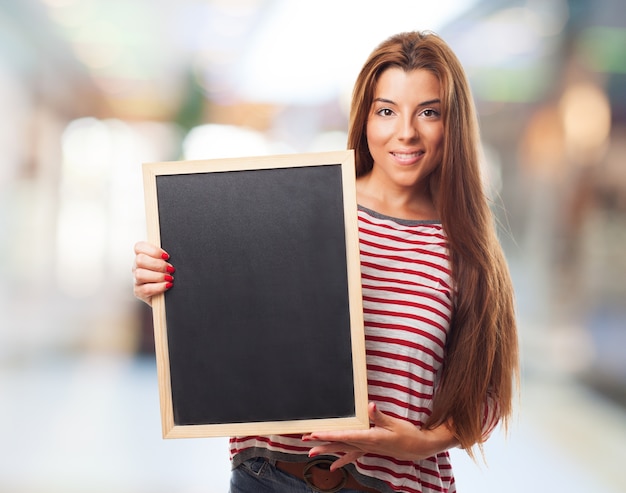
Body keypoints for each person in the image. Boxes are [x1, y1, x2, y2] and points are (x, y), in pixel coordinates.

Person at [133, 30, 519, 493]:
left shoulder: (468, 249)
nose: (406, 132)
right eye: (387, 111)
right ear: (366, 117)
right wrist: (169, 286)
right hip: (270, 476)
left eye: (429, 112)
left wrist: (419, 443)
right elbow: (233, 317)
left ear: (452, 123)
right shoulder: (302, 206)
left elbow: (488, 393)